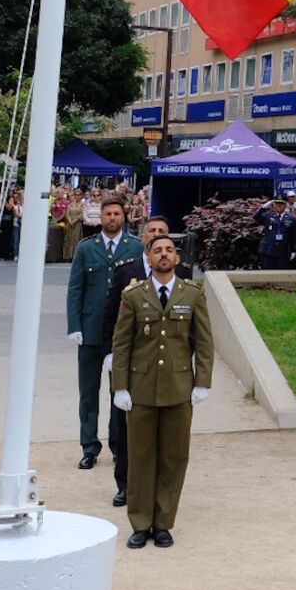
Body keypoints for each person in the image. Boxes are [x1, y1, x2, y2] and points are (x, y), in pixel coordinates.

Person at [110, 234, 213, 548]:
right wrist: (120, 387)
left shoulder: (193, 294)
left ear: (177, 259)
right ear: (149, 258)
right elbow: (122, 344)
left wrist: (202, 382)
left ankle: (164, 523)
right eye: (158, 251)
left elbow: (205, 343)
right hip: (141, 389)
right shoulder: (134, 295)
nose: (164, 255)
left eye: (169, 250)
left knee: (174, 457)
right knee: (140, 458)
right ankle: (140, 523)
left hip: (179, 389)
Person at [67, 192, 146, 472]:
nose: (112, 218)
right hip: (89, 330)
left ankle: (117, 444)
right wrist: (74, 325)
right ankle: (89, 447)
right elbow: (76, 288)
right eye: (107, 214)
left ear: (124, 217)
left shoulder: (135, 247)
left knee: (119, 390)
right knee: (88, 391)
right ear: (100, 217)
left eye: (116, 214)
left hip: (120, 333)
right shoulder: (86, 248)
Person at [254, 196, 295, 269]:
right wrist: (264, 206)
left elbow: (294, 235)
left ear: (285, 205)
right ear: (274, 205)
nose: (279, 205)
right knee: (268, 275)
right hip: (268, 252)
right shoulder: (268, 216)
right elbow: (255, 217)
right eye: (277, 203)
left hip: (283, 252)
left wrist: (293, 250)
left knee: (282, 275)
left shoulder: (291, 218)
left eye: (281, 204)